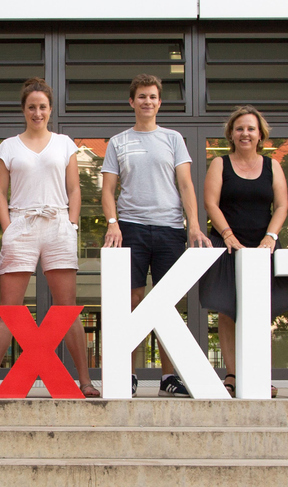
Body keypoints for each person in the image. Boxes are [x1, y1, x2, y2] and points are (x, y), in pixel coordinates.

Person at [0, 78, 99, 398]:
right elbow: (0, 192)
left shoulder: (65, 144)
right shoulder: (8, 147)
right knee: (9, 308)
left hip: (57, 223)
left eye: (42, 107)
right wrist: (8, 227)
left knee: (66, 308)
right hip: (22, 224)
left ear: (50, 109)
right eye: (31, 107)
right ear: (23, 110)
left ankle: (85, 381)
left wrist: (71, 224)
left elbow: (74, 189)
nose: (37, 112)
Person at [101, 73, 210, 397]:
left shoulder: (173, 139)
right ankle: (128, 375)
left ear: (159, 102)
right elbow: (107, 190)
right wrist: (112, 222)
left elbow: (186, 185)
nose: (147, 101)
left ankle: (168, 378)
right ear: (131, 102)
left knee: (166, 305)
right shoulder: (118, 142)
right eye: (142, 96)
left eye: (152, 97)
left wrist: (193, 224)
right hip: (131, 228)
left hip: (170, 229)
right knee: (131, 302)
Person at [200, 105, 288, 397]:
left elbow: (282, 205)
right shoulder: (220, 164)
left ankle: (259, 374)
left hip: (264, 247)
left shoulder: (272, 166)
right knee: (227, 311)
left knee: (261, 313)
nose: (245, 133)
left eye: (251, 128)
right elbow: (210, 203)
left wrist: (271, 237)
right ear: (231, 134)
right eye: (239, 128)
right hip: (227, 245)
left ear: (260, 134)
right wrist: (228, 235)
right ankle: (233, 375)